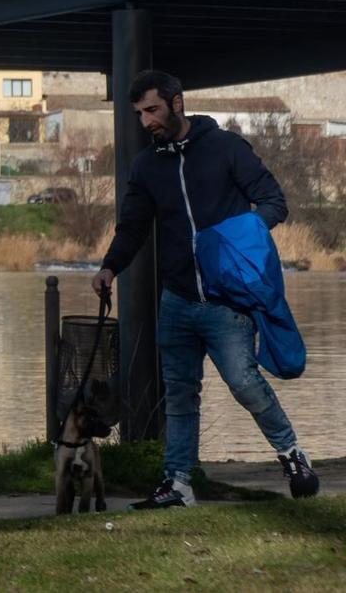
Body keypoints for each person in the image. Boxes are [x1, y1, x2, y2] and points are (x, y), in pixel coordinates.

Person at [93, 70, 320, 508]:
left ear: (177, 103)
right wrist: (110, 267)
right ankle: (178, 483)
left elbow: (274, 202)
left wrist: (240, 238)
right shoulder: (146, 166)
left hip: (226, 301)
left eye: (153, 110)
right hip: (176, 299)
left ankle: (292, 454)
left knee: (244, 383)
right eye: (140, 114)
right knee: (179, 393)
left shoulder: (226, 148)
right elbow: (134, 226)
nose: (146, 123)